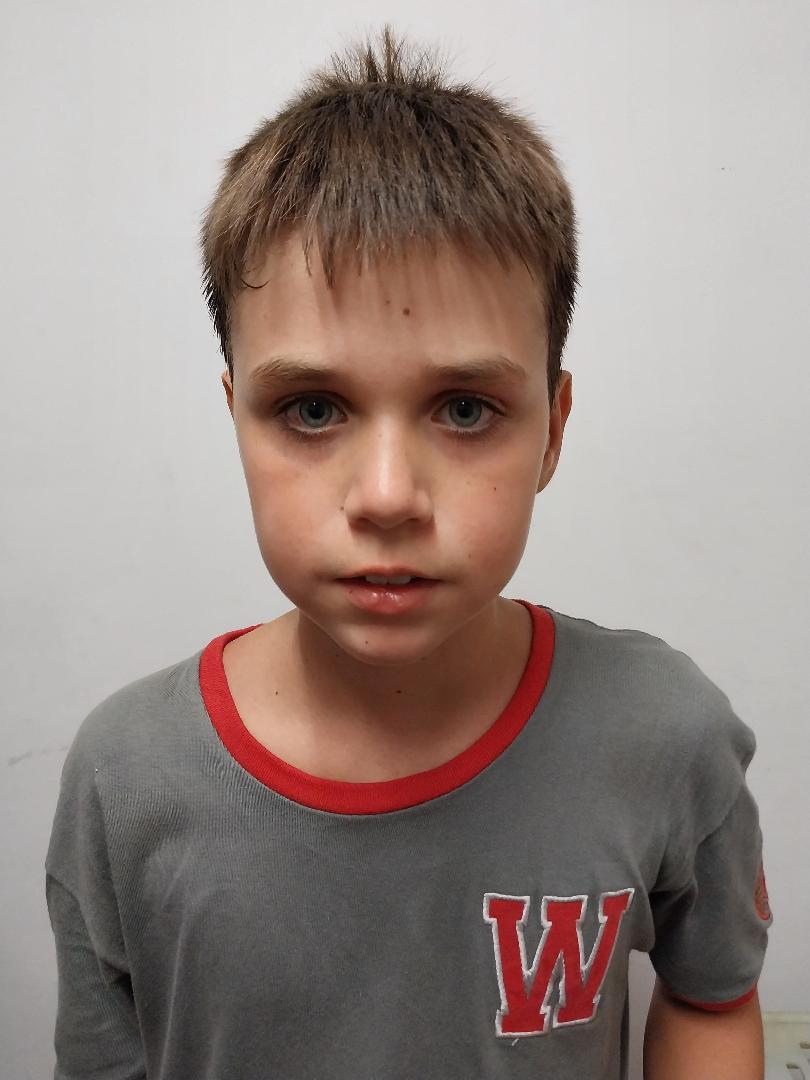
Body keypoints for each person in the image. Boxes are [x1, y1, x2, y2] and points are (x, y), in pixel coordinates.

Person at [45, 23, 772, 1080]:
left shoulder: (666, 735)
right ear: (235, 417)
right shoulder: (126, 778)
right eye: (312, 408)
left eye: (466, 407)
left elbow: (713, 998)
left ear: (553, 431)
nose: (387, 496)